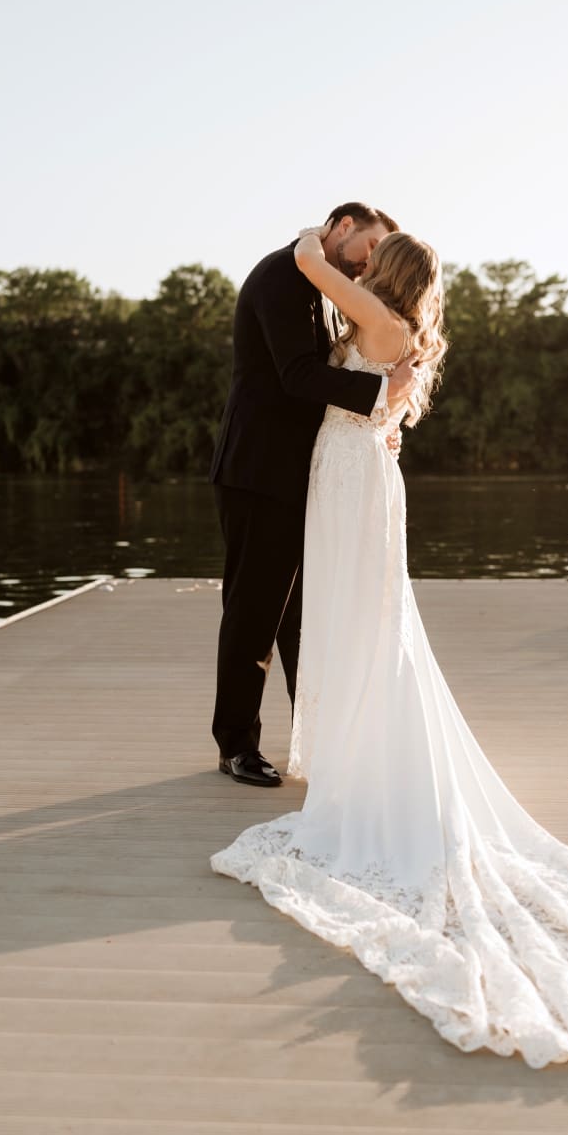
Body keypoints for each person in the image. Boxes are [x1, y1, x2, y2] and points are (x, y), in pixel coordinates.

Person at [210, 226, 568, 1070]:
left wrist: (313, 242)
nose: (359, 265)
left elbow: (314, 270)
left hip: (353, 483)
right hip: (345, 477)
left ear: (387, 273)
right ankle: (342, 744)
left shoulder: (382, 326)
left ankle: (364, 753)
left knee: (364, 619)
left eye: (374, 258)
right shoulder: (386, 332)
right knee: (344, 617)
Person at [207, 204, 417, 786]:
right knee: (253, 610)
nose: (372, 261)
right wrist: (379, 393)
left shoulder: (324, 282)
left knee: (302, 613)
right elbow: (296, 375)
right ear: (343, 226)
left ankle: (320, 738)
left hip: (308, 474)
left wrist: (382, 419)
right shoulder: (280, 277)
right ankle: (236, 746)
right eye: (371, 246)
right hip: (259, 470)